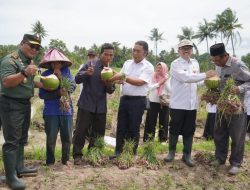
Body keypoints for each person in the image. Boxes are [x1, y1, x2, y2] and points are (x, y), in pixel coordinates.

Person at [164, 39, 217, 167]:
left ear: (192, 50)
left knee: (189, 130)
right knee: (175, 129)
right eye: (183, 48)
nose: (186, 50)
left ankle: (186, 155)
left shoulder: (195, 63)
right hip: (178, 104)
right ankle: (171, 152)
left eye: (189, 48)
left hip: (192, 105)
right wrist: (205, 74)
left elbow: (196, 80)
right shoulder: (175, 64)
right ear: (179, 51)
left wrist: (209, 81)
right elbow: (185, 78)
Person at [0, 34, 43, 190]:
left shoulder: (28, 62)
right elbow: (6, 82)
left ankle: (19, 168)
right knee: (12, 141)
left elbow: (26, 83)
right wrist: (25, 72)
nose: (34, 49)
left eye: (37, 48)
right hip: (11, 104)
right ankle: (11, 177)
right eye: (31, 46)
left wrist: (43, 84)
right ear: (22, 44)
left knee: (21, 139)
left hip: (24, 104)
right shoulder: (10, 60)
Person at [209, 43, 250, 175]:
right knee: (219, 133)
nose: (215, 63)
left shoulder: (237, 65)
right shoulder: (218, 64)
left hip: (236, 107)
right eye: (213, 60)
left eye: (217, 60)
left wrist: (239, 88)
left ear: (225, 56)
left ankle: (236, 163)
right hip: (222, 105)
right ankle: (220, 158)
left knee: (237, 136)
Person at [72, 43, 115, 165]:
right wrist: (86, 73)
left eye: (111, 55)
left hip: (101, 106)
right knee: (81, 131)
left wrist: (107, 82)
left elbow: (111, 90)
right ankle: (77, 156)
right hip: (86, 103)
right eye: (106, 54)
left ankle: (93, 155)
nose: (108, 57)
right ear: (101, 54)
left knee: (98, 132)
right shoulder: (90, 64)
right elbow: (76, 79)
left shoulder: (110, 70)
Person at [109, 41, 154, 156]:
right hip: (124, 99)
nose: (135, 53)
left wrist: (123, 77)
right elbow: (120, 79)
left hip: (138, 101)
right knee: (121, 126)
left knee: (133, 127)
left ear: (145, 53)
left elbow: (140, 82)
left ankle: (130, 153)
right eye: (133, 50)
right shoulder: (127, 63)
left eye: (138, 51)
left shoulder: (148, 67)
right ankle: (118, 151)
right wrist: (111, 77)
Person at [39, 48, 76, 166]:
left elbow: (72, 88)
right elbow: (41, 94)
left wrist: (60, 78)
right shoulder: (45, 75)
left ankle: (65, 160)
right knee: (51, 138)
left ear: (62, 62)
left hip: (66, 110)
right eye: (53, 62)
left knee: (67, 138)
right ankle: (50, 161)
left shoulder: (67, 72)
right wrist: (57, 93)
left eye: (58, 62)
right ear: (49, 63)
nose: (56, 64)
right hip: (51, 111)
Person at [143, 62, 171, 143]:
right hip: (153, 102)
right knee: (150, 121)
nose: (158, 69)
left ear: (165, 69)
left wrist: (165, 81)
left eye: (160, 68)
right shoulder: (153, 76)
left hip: (164, 103)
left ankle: (162, 140)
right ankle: (148, 139)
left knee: (164, 121)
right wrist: (159, 83)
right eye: (157, 68)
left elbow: (170, 90)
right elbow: (149, 88)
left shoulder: (168, 78)